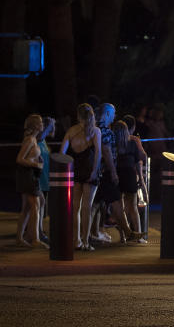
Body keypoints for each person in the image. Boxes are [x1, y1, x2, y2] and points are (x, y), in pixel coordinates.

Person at [60, 104, 102, 251]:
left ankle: (76, 240)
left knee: (75, 207)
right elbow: (98, 153)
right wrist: (95, 171)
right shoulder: (95, 131)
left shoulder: (72, 131)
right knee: (87, 207)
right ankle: (85, 241)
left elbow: (62, 152)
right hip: (90, 170)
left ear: (78, 116)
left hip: (76, 170)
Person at [94, 103, 134, 244]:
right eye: (113, 113)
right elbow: (107, 152)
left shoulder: (94, 128)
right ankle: (129, 233)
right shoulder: (104, 131)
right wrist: (113, 172)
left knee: (96, 204)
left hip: (97, 172)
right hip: (105, 172)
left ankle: (90, 233)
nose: (114, 116)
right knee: (116, 202)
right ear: (107, 113)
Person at [15, 114, 46, 248]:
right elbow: (20, 159)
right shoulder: (29, 140)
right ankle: (35, 239)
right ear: (36, 126)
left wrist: (39, 161)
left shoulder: (34, 139)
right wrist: (35, 165)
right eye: (41, 123)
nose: (43, 124)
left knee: (29, 207)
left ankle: (20, 237)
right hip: (27, 175)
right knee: (35, 206)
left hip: (32, 175)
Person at [114, 119, 147, 242]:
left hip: (117, 176)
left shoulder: (114, 145)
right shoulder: (132, 144)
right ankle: (139, 236)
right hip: (130, 176)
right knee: (133, 207)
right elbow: (138, 163)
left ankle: (123, 236)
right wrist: (140, 179)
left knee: (120, 209)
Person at [35, 117, 55, 244]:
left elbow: (51, 134)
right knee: (39, 205)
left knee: (42, 205)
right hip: (39, 177)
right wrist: (50, 124)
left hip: (45, 177)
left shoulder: (44, 141)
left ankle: (38, 230)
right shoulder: (38, 139)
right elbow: (41, 136)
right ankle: (38, 231)